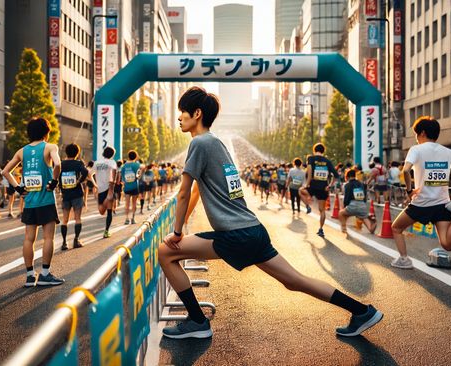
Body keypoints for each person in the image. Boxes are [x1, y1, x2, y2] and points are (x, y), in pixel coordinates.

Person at [160, 86, 383, 340]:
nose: (179, 117)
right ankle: (362, 311)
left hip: (235, 235)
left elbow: (184, 192)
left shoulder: (199, 143)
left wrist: (177, 232)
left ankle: (198, 322)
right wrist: (185, 223)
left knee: (165, 252)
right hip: (253, 231)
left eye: (182, 112)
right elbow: (199, 192)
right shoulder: (216, 144)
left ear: (196, 113)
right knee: (296, 281)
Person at [389, 117, 451, 269]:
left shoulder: (416, 150)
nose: (416, 138)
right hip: (442, 204)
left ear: (422, 133)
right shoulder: (447, 152)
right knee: (447, 245)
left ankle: (404, 259)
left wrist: (409, 190)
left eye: (416, 134)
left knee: (396, 228)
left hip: (421, 203)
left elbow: (406, 170)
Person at [2, 118, 64, 287]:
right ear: (47, 132)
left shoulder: (22, 151)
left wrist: (18, 188)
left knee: (29, 239)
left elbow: (5, 171)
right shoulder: (50, 147)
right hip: (46, 200)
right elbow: (58, 163)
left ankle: (30, 276)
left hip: (29, 202)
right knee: (48, 238)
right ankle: (45, 274)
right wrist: (54, 180)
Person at [299, 143, 339, 238]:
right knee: (322, 210)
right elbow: (336, 175)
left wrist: (307, 184)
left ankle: (308, 206)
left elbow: (309, 172)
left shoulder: (311, 159)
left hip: (312, 186)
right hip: (323, 188)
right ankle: (321, 229)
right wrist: (329, 185)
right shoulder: (327, 161)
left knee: (300, 191)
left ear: (314, 150)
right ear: (323, 151)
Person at [60, 143, 90, 250]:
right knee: (77, 218)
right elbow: (86, 172)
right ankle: (76, 240)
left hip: (65, 194)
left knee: (65, 219)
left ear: (66, 152)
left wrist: (61, 187)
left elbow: (56, 175)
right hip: (77, 193)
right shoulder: (78, 163)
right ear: (77, 153)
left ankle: (64, 243)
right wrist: (79, 181)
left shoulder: (61, 163)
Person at [339, 169, 376, 234]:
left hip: (352, 205)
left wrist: (345, 207)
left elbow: (347, 198)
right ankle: (372, 225)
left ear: (347, 177)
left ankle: (344, 228)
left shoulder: (348, 185)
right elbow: (365, 196)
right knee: (363, 217)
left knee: (341, 213)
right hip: (362, 205)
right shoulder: (361, 184)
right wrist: (363, 205)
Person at [91, 147, 117, 238]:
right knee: (103, 212)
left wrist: (95, 184)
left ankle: (106, 231)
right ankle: (106, 231)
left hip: (101, 189)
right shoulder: (112, 162)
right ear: (112, 155)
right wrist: (111, 190)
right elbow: (113, 176)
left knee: (106, 211)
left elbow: (90, 174)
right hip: (108, 188)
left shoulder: (97, 163)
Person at [121, 150, 141, 224]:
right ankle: (133, 218)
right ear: (135, 157)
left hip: (127, 187)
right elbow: (138, 176)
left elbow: (122, 178)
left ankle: (126, 219)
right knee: (134, 203)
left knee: (127, 203)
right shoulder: (136, 165)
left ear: (128, 157)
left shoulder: (124, 166)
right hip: (135, 186)